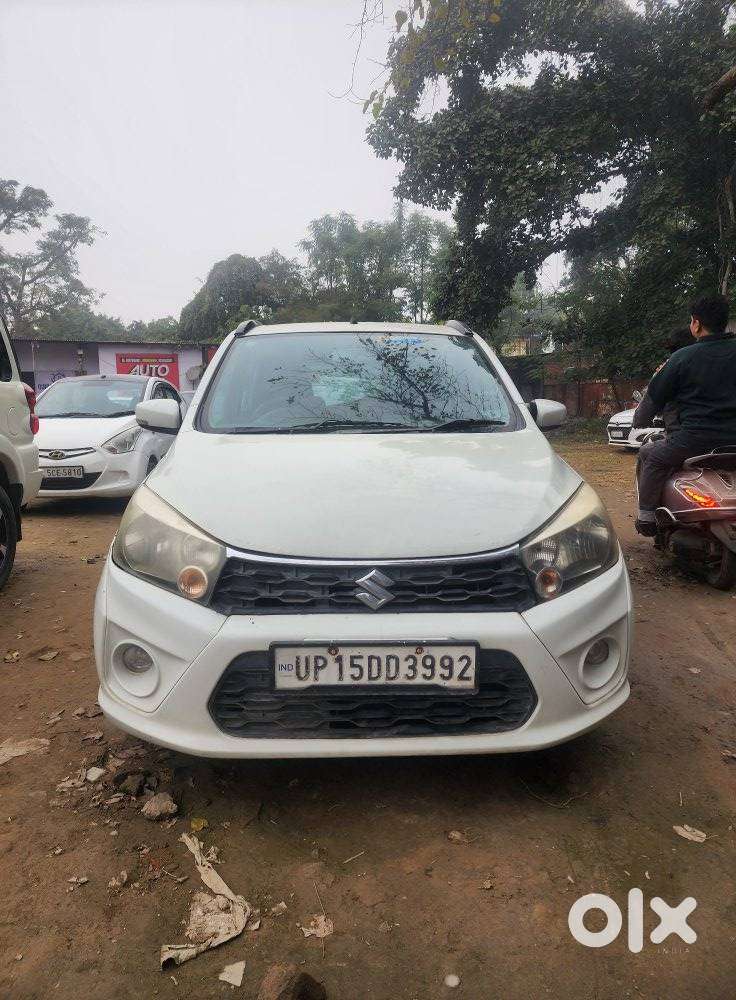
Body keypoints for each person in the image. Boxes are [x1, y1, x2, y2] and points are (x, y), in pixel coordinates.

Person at [633, 295, 736, 536]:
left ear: (696, 324)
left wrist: (640, 421)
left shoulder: (682, 358)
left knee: (652, 454)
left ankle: (647, 518)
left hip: (694, 441)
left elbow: (653, 400)